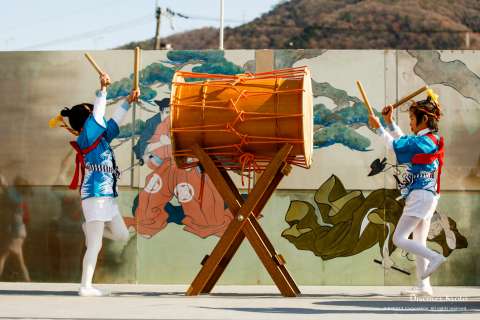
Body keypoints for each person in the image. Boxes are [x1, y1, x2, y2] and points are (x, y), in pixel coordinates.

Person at [50, 73, 139, 296]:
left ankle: (88, 231)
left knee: (121, 235)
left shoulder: (99, 138)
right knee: (95, 245)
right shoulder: (87, 137)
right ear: (88, 121)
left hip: (106, 196)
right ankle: (85, 286)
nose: (99, 120)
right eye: (94, 118)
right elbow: (99, 115)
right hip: (96, 194)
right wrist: (103, 90)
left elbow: (112, 123)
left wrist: (127, 102)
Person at [368, 89, 446, 297]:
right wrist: (389, 122)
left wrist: (379, 128)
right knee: (418, 241)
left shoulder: (421, 142)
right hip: (428, 195)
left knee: (399, 238)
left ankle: (435, 257)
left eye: (412, 118)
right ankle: (424, 286)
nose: (410, 123)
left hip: (420, 195)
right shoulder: (430, 140)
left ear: (423, 120)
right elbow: (404, 143)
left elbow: (396, 145)